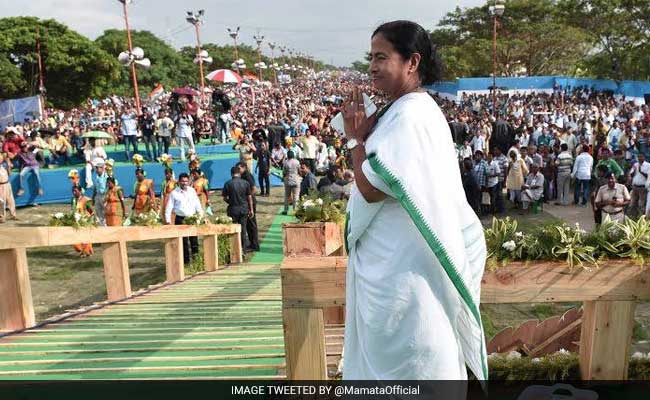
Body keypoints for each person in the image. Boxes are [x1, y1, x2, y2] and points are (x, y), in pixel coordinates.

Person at [341, 20, 486, 381]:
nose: (372, 66)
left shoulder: (411, 116)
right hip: (392, 269)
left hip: (407, 274)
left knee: (413, 361)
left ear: (412, 62)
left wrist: (354, 142)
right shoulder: (403, 110)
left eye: (382, 57)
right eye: (370, 57)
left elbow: (372, 188)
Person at [165, 173, 203, 264]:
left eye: (186, 181)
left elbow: (197, 204)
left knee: (194, 241)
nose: (184, 183)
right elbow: (169, 207)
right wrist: (168, 221)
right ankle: (186, 262)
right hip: (180, 219)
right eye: (182, 181)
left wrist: (200, 215)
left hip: (192, 218)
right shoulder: (174, 193)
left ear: (189, 181)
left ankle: (196, 260)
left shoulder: (192, 191)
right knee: (183, 242)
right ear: (179, 182)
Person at [223, 166, 253, 252]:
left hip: (233, 209)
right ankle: (243, 249)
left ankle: (234, 249)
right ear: (239, 173)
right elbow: (249, 197)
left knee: (233, 229)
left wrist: (230, 201)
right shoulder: (246, 183)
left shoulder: (228, 184)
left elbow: (224, 198)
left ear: (231, 174)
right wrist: (251, 209)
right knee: (243, 230)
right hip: (244, 208)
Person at [237, 162, 260, 252]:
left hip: (251, 202)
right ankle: (252, 243)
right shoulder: (242, 176)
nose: (238, 171)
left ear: (244, 168)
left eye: (239, 168)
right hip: (247, 202)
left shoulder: (247, 176)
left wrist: (247, 196)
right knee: (249, 225)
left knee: (252, 224)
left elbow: (254, 189)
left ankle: (255, 245)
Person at [71, 185, 94, 258]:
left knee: (84, 237)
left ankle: (86, 252)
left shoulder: (86, 200)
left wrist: (90, 220)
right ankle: (83, 251)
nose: (74, 193)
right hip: (76, 221)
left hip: (85, 221)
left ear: (80, 191)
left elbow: (91, 211)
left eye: (76, 191)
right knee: (76, 239)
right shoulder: (73, 200)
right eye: (73, 191)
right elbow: (73, 209)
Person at [629, 152, 650, 218]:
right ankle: (632, 217)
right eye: (638, 157)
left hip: (642, 188)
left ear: (644, 157)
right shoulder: (635, 164)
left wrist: (641, 171)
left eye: (641, 157)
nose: (640, 158)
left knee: (641, 205)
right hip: (634, 187)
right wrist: (634, 170)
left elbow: (648, 176)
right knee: (632, 204)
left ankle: (641, 218)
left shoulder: (648, 165)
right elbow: (631, 175)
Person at [282, 150, 301, 215]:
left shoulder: (285, 163)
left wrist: (283, 177)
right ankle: (295, 210)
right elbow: (299, 171)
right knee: (296, 196)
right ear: (293, 155)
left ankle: (285, 210)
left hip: (288, 181)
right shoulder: (297, 162)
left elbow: (284, 173)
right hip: (295, 180)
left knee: (287, 196)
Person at [0, 153, 17, 223]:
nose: (1, 160)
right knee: (1, 202)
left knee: (11, 200)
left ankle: (13, 215)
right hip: (1, 186)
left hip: (7, 184)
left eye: (1, 159)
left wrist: (8, 165)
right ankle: (2, 217)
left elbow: (9, 173)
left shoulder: (4, 165)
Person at [92, 159, 109, 226]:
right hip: (98, 195)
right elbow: (95, 188)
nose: (96, 169)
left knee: (105, 211)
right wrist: (93, 197)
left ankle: (106, 224)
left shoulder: (106, 177)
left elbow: (108, 187)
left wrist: (107, 197)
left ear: (102, 168)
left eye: (98, 168)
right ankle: (101, 225)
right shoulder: (96, 177)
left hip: (104, 195)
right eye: (96, 168)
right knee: (98, 210)